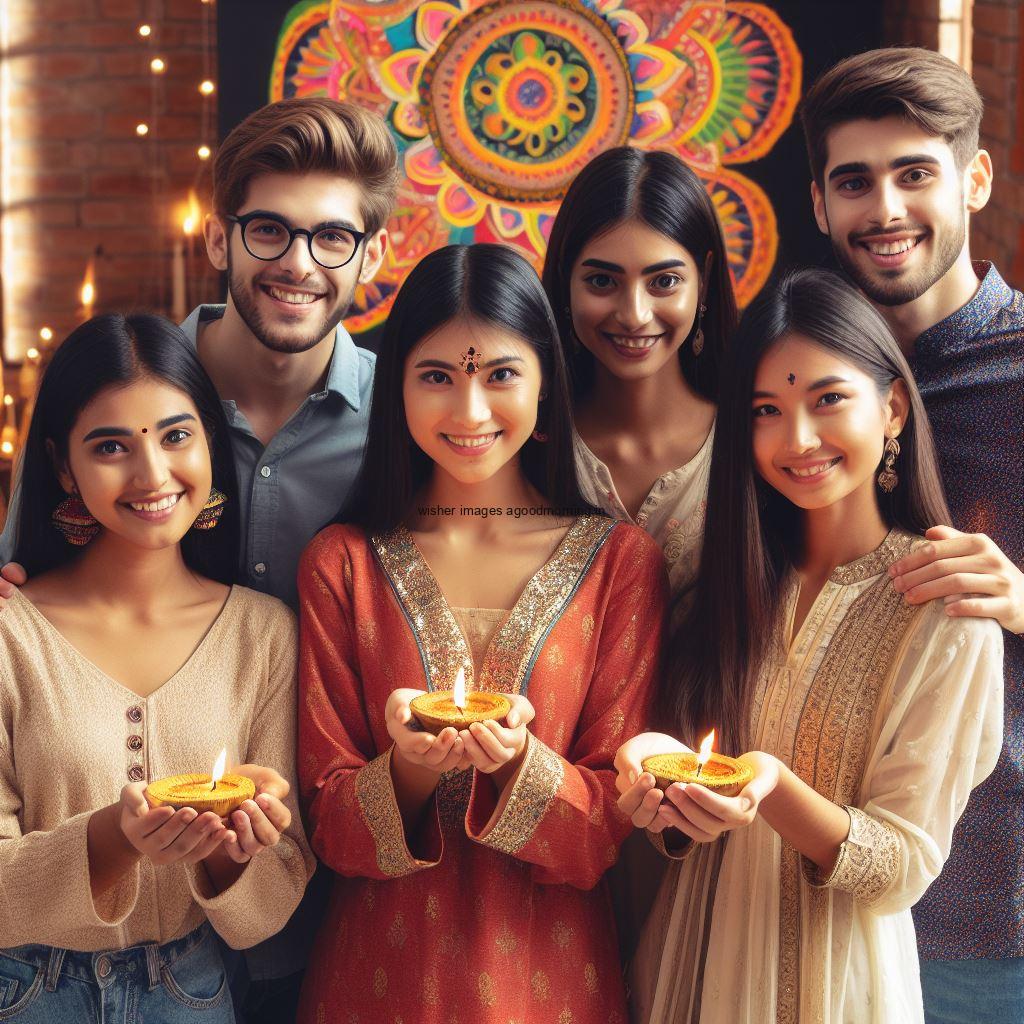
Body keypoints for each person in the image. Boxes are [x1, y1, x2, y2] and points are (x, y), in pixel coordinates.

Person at [0, 95, 399, 1023]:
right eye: (269, 230)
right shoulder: (126, 382)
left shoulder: (407, 426)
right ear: (221, 240)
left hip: (309, 919)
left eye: (332, 239)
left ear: (371, 256)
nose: (298, 264)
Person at [616, 269, 1003, 1024]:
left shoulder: (948, 617)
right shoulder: (716, 580)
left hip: (843, 986)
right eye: (767, 410)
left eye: (827, 399)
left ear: (893, 407)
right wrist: (656, 789)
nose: (796, 439)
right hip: (691, 970)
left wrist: (773, 787)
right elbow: (679, 828)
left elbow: (901, 868)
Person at [296, 244, 668, 1022]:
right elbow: (328, 824)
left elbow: (605, 831)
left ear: (545, 385)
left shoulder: (619, 565)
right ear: (395, 386)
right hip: (377, 978)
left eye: (499, 375)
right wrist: (408, 769)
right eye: (438, 376)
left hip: (551, 984)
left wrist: (520, 765)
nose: (469, 412)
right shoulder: (343, 563)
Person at [0, 313, 313, 1021]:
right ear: (61, 467)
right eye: (111, 446)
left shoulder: (263, 634)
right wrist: (115, 837)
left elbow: (270, 906)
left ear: (210, 441)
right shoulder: (10, 634)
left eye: (176, 435)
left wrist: (231, 853)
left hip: (193, 993)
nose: (152, 474)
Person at [800, 48, 1024, 1023]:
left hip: (991, 917)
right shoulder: (792, 385)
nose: (883, 208)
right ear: (818, 202)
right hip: (812, 888)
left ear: (973, 178)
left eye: (914, 174)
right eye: (855, 181)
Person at [542, 146, 737, 595]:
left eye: (664, 282)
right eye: (602, 281)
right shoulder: (523, 442)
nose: (634, 314)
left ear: (704, 280)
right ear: (565, 280)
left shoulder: (755, 438)